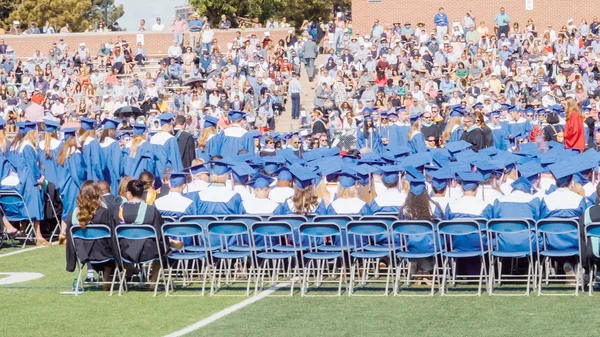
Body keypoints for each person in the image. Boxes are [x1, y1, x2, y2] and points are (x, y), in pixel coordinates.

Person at [65, 181, 117, 291]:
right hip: (105, 255)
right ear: (98, 194)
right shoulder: (104, 212)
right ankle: (108, 273)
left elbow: (70, 240)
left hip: (83, 255)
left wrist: (71, 262)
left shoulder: (73, 214)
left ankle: (106, 273)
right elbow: (113, 238)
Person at [6, 122, 47, 245]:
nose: (36, 134)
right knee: (35, 208)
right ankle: (38, 236)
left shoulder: (22, 145)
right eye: (35, 131)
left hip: (24, 180)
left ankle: (23, 232)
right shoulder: (28, 146)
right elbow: (32, 166)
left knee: (26, 208)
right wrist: (38, 179)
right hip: (30, 182)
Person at [150, 113, 183, 184]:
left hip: (155, 174)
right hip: (167, 175)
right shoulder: (171, 139)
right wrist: (180, 176)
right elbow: (175, 160)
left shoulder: (152, 138)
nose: (173, 128)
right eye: (172, 125)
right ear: (168, 124)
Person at [99, 119, 122, 194]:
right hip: (112, 176)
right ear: (113, 131)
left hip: (100, 175)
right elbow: (116, 162)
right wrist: (119, 176)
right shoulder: (114, 144)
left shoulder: (98, 144)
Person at [79, 117, 105, 182]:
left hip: (83, 179)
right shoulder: (93, 142)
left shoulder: (79, 141)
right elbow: (96, 163)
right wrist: (101, 177)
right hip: (93, 177)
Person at [38, 119, 62, 187]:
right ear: (55, 132)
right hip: (57, 180)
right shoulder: (59, 145)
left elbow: (40, 164)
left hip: (44, 181)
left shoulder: (40, 145)